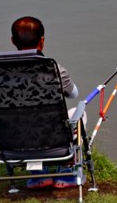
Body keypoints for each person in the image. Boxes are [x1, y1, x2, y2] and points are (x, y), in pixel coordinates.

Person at [8, 16, 80, 189]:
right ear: (42, 42)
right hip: (53, 139)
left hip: (13, 142)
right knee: (80, 112)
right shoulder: (54, 69)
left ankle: (39, 175)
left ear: (12, 41)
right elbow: (74, 94)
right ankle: (66, 173)